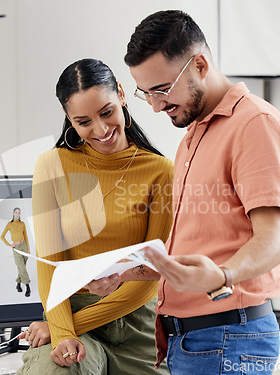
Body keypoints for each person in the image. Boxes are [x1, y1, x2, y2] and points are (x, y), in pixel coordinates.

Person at [121, 10, 280, 375]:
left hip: (227, 340)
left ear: (200, 64)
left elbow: (273, 239)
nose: (155, 106)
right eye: (146, 93)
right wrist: (122, 273)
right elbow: (191, 255)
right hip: (192, 342)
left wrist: (222, 276)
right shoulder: (192, 137)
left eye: (162, 90)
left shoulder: (255, 125)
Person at [15, 58, 174, 374]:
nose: (101, 130)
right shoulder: (52, 166)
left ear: (121, 94)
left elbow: (154, 271)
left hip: (137, 323)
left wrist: (65, 326)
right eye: (84, 121)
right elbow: (50, 266)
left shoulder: (160, 171)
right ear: (68, 118)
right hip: (70, 315)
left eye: (107, 112)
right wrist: (63, 331)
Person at [1, 207, 31, 297]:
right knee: (21, 267)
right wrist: (9, 245)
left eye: (19, 213)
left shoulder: (22, 224)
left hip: (24, 246)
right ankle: (27, 286)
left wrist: (28, 248)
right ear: (13, 213)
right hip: (16, 247)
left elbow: (26, 235)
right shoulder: (9, 224)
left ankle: (18, 283)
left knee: (22, 267)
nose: (18, 214)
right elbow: (2, 236)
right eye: (16, 212)